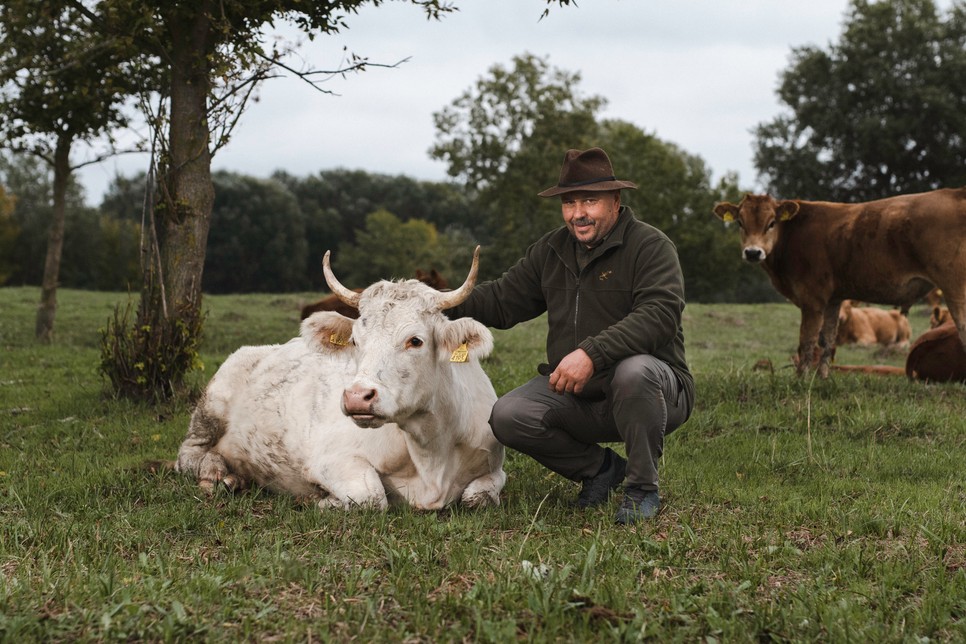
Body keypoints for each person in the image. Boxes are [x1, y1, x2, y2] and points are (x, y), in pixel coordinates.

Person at [447, 147, 694, 524]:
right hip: (578, 393)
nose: (578, 213)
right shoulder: (551, 250)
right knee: (509, 416)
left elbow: (658, 315)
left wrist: (591, 354)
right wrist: (431, 303)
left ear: (615, 200)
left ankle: (642, 487)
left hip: (654, 391)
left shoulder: (651, 246)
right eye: (569, 202)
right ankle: (600, 470)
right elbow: (501, 301)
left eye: (590, 201)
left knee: (635, 372)